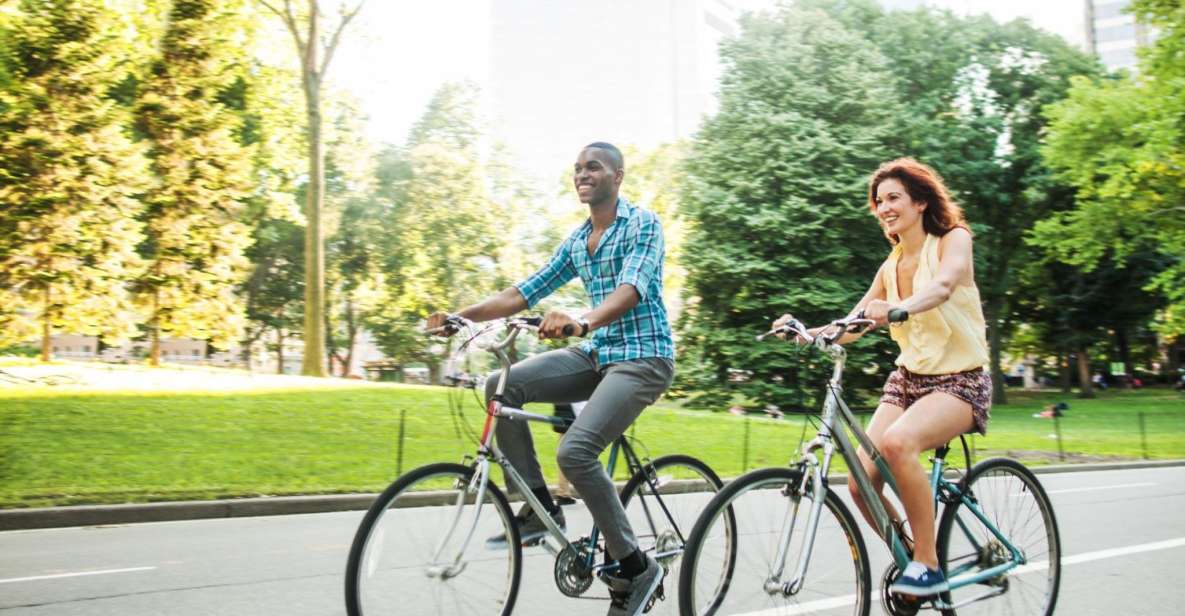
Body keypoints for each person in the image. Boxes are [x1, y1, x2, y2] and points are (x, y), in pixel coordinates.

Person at [427, 142, 675, 616]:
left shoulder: (642, 223)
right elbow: (524, 292)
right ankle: (537, 507)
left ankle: (635, 566)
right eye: (578, 169)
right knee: (499, 387)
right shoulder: (579, 240)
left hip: (644, 358)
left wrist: (582, 320)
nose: (583, 174)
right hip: (597, 354)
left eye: (594, 167)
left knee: (575, 452)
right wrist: (460, 316)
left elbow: (631, 289)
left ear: (617, 176)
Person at [772, 158, 992, 599]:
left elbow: (945, 285)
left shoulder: (953, 239)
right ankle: (912, 557)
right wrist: (806, 334)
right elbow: (853, 323)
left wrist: (899, 308)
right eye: (879, 201)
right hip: (908, 381)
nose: (884, 207)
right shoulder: (890, 264)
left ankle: (930, 566)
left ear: (920, 201)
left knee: (896, 445)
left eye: (894, 197)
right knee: (860, 481)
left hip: (960, 381)